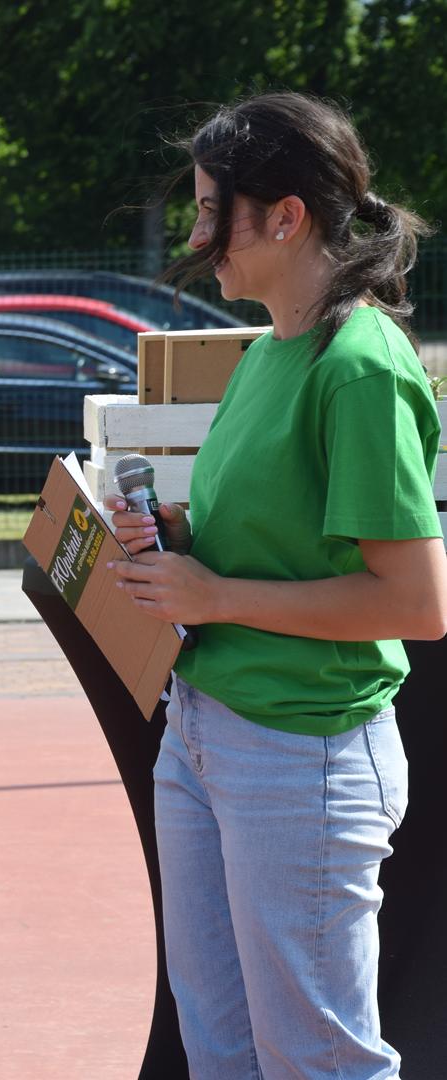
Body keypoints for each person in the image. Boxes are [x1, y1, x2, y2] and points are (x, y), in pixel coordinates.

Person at [107, 92, 447, 1079]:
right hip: (207, 734)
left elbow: (416, 602)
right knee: (219, 1047)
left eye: (214, 209)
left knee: (318, 1060)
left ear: (286, 215)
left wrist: (210, 596)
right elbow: (274, 542)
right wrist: (176, 540)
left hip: (305, 755)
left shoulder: (360, 368)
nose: (198, 234)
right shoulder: (270, 351)